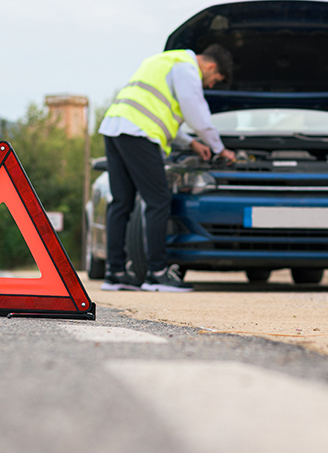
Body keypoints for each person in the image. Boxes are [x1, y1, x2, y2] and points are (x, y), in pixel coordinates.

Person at [98, 44, 236, 292]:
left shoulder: (165, 61)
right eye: (215, 79)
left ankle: (115, 273)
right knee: (158, 200)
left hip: (115, 128)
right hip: (139, 133)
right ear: (211, 66)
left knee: (121, 202)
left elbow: (158, 113)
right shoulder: (187, 68)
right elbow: (196, 114)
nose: (210, 85)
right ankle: (157, 274)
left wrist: (191, 143)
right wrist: (220, 148)